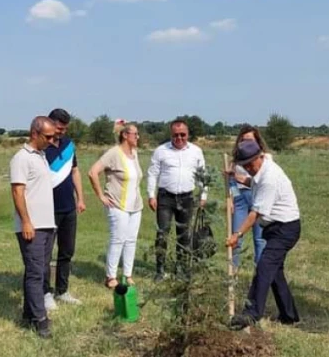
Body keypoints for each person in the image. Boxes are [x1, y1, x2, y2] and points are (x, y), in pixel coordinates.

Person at [226, 140, 301, 330]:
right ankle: (289, 315)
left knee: (265, 266)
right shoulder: (261, 172)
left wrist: (237, 234)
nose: (249, 169)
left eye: (251, 164)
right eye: (245, 166)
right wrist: (238, 178)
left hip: (285, 228)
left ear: (260, 157)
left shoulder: (270, 176)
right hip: (276, 227)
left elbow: (255, 213)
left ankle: (251, 314)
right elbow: (254, 184)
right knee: (275, 272)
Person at [10, 116, 59, 338]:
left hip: (47, 224)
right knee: (36, 272)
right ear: (34, 133)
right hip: (32, 226)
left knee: (39, 269)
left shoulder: (42, 157)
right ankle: (40, 320)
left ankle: (29, 314)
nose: (52, 140)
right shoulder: (21, 158)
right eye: (48, 136)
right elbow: (17, 192)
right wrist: (27, 221)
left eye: (54, 136)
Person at [146, 120, 208, 280]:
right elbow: (153, 173)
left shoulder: (196, 151)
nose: (179, 138)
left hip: (187, 198)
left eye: (183, 134)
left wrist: (203, 195)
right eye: (175, 135)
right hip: (165, 198)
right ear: (171, 134)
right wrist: (151, 195)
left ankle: (181, 269)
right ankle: (160, 270)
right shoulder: (161, 150)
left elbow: (203, 175)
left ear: (188, 134)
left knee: (184, 236)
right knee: (162, 234)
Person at [88, 121, 144, 289]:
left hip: (135, 205)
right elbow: (92, 172)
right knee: (118, 239)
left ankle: (128, 274)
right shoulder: (113, 153)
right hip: (117, 204)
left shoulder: (135, 153)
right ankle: (110, 276)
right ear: (125, 135)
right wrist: (101, 196)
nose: (138, 137)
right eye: (135, 134)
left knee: (131, 240)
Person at [42, 108, 86, 308]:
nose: (61, 132)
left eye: (65, 129)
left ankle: (62, 290)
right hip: (47, 209)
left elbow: (75, 171)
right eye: (59, 128)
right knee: (45, 253)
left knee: (67, 251)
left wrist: (81, 198)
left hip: (68, 207)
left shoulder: (69, 145)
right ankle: (45, 292)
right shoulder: (42, 146)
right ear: (50, 124)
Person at [225, 125, 267, 270]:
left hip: (258, 198)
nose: (246, 143)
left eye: (250, 140)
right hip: (240, 199)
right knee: (236, 236)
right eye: (243, 140)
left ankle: (261, 273)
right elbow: (230, 181)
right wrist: (231, 198)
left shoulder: (265, 158)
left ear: (257, 141)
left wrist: (240, 178)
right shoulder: (235, 160)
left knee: (260, 239)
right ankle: (233, 272)